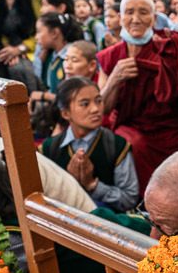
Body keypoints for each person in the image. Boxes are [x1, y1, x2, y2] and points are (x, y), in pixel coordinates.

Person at [98, 0, 178, 193]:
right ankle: (143, 200)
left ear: (154, 17)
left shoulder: (172, 45)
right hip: (135, 127)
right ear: (120, 17)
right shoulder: (111, 56)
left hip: (173, 127)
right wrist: (115, 78)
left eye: (143, 12)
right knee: (134, 144)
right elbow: (103, 108)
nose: (136, 19)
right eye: (129, 12)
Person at [41, 78, 139, 213]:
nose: (95, 109)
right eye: (85, 104)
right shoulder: (49, 148)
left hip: (107, 224)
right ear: (65, 113)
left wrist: (93, 185)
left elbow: (129, 199)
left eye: (99, 101)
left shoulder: (117, 146)